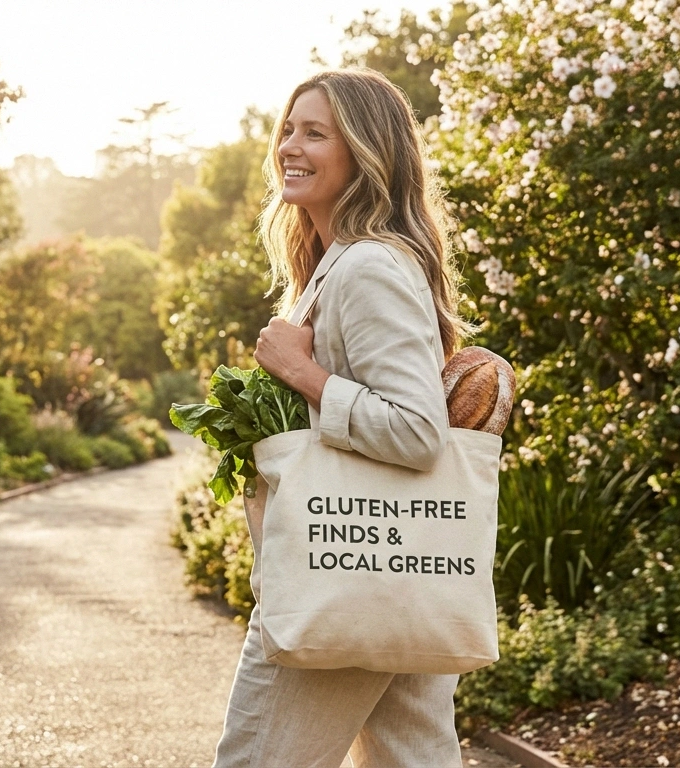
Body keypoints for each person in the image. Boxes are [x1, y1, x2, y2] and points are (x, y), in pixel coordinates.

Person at [212, 68, 471, 767]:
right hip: (397, 573)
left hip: (340, 571)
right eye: (288, 130)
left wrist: (301, 373)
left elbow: (418, 431)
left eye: (316, 133)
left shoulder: (367, 268)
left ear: (364, 151)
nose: (290, 146)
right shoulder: (338, 264)